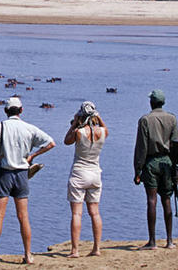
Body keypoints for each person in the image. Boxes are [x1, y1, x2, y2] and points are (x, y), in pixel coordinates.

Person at [0, 96, 55, 265]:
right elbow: (51, 143)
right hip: (22, 174)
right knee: (23, 217)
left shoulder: (1, 126)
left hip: (4, 173)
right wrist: (33, 155)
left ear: (6, 111)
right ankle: (28, 255)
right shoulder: (29, 128)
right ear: (21, 110)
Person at [134, 89, 178, 250]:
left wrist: (138, 170)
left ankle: (152, 241)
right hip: (167, 162)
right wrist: (177, 168)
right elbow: (177, 145)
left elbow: (141, 148)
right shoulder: (172, 119)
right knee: (167, 199)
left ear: (151, 103)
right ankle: (169, 241)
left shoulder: (145, 120)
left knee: (151, 201)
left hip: (151, 162)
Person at [63, 101, 108, 258]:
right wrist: (99, 118)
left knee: (77, 214)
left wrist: (75, 123)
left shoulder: (79, 132)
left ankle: (75, 250)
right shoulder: (102, 132)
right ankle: (97, 248)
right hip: (95, 174)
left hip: (79, 174)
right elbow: (104, 128)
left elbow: (66, 140)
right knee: (95, 212)